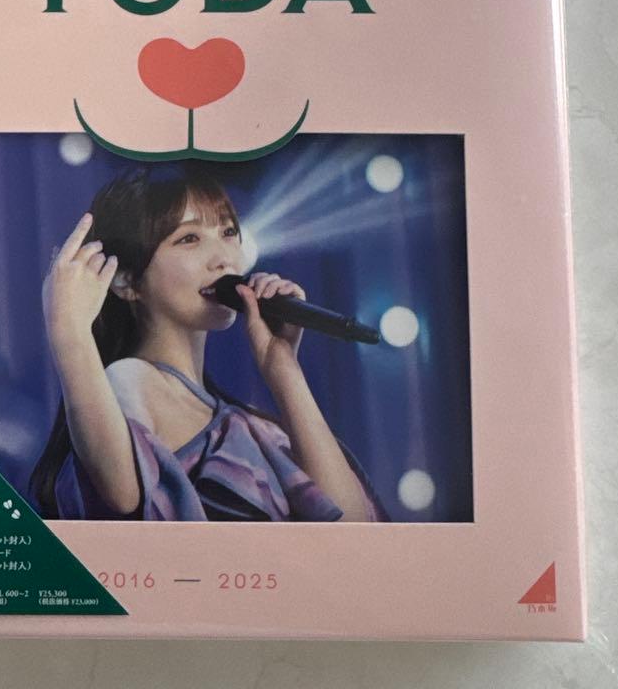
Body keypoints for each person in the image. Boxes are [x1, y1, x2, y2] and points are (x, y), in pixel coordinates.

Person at [30, 163, 387, 522]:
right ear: (126, 280)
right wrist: (69, 329)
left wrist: (283, 369)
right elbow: (121, 492)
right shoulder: (133, 377)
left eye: (228, 232)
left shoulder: (250, 422)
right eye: (189, 239)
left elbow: (354, 526)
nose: (224, 259)